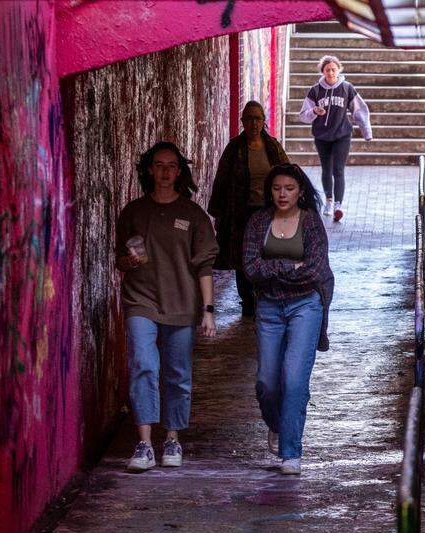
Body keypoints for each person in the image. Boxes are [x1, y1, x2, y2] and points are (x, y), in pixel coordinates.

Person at [116, 142, 219, 472]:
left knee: (177, 373)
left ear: (179, 171)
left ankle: (172, 437)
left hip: (181, 303)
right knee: (143, 364)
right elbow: (120, 258)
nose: (164, 172)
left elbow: (204, 265)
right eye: (158, 165)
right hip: (140, 300)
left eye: (171, 166)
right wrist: (128, 261)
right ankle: (144, 443)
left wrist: (208, 309)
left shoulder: (192, 215)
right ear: (149, 169)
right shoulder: (133, 212)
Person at [242, 164, 335, 476]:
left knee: (294, 378)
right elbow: (251, 268)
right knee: (266, 382)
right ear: (270, 191)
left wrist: (275, 269)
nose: (282, 194)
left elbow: (315, 269)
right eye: (277, 188)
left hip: (305, 307)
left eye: (289, 188)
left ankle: (291, 452)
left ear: (301, 191)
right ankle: (278, 424)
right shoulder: (258, 222)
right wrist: (288, 268)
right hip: (268, 308)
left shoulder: (310, 223)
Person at [209, 101, 290, 317]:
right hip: (241, 213)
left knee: (269, 255)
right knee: (244, 258)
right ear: (243, 121)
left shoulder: (273, 147)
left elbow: (288, 174)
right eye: (249, 118)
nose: (254, 123)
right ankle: (247, 301)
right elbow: (222, 181)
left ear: (264, 122)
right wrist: (218, 213)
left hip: (268, 213)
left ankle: (266, 297)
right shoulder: (234, 149)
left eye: (258, 118)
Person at [299, 55, 372, 223]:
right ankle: (329, 201)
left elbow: (359, 110)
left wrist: (366, 131)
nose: (331, 73)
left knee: (338, 169)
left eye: (333, 69)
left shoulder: (347, 88)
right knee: (326, 169)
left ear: (339, 69)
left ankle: (339, 205)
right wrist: (314, 112)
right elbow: (303, 115)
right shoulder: (315, 90)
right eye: (327, 70)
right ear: (322, 72)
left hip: (342, 134)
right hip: (322, 135)